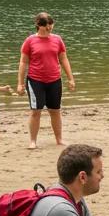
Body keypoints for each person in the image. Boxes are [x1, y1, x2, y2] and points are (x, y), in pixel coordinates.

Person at [17, 11, 76, 149]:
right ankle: (33, 141)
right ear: (38, 25)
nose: (49, 27)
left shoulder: (57, 40)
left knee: (55, 111)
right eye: (45, 25)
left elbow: (63, 59)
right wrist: (20, 83)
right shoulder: (30, 41)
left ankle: (59, 139)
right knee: (36, 111)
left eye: (51, 24)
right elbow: (23, 62)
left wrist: (71, 78)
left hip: (54, 80)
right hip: (35, 81)